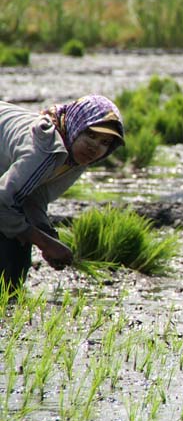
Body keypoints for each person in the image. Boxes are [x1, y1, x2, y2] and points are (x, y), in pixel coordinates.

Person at [0, 95, 125, 292]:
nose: (94, 147)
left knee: (16, 259)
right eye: (91, 135)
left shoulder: (76, 159)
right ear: (76, 126)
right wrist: (43, 242)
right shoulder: (45, 147)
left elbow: (35, 195)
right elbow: (2, 205)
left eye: (105, 142)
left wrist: (47, 234)